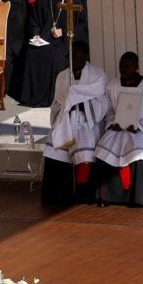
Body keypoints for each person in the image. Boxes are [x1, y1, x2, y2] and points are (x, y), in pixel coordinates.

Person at [92, 52, 143, 207]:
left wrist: (139, 126)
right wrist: (113, 123)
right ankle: (106, 197)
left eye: (126, 66)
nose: (123, 70)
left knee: (136, 151)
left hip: (141, 131)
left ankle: (138, 198)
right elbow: (109, 110)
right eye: (121, 66)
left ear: (136, 66)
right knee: (102, 151)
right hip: (118, 130)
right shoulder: (113, 86)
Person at [41, 40, 110, 209]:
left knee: (85, 144)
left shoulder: (97, 75)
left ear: (85, 56)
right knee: (53, 148)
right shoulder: (62, 76)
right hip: (66, 119)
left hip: (88, 120)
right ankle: (58, 193)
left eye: (76, 56)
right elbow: (57, 102)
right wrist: (66, 108)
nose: (72, 60)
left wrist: (78, 102)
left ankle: (83, 193)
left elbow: (101, 102)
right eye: (69, 56)